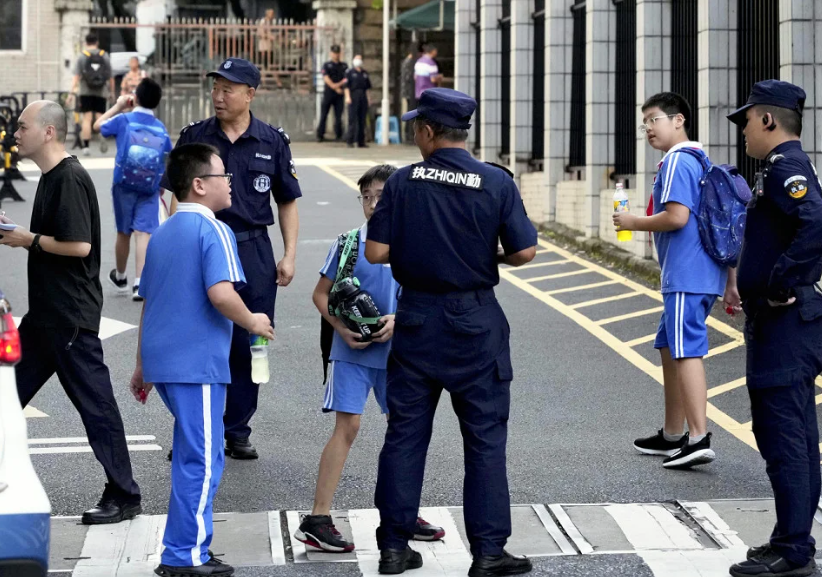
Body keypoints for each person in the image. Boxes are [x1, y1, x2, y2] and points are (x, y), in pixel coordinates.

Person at [365, 88, 538, 576]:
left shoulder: (402, 182)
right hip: (475, 322)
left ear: (426, 131)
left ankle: (394, 549)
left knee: (405, 436)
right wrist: (486, 257)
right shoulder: (495, 181)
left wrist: (419, 251)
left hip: (418, 319)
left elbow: (376, 253)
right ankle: (487, 553)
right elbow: (525, 252)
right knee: (484, 440)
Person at [131, 143, 275, 577]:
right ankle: (183, 555)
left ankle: (189, 546)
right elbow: (221, 293)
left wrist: (141, 366)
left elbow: (149, 301)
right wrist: (254, 320)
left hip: (166, 362)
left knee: (196, 455)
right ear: (199, 185)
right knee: (202, 460)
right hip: (198, 365)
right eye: (222, 176)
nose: (229, 183)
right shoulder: (215, 231)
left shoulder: (165, 232)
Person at [0, 100, 141, 524]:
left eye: (22, 127)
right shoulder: (50, 177)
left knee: (97, 408)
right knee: (5, 397)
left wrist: (28, 240)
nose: (14, 133)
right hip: (45, 316)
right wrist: (18, 230)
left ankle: (124, 495)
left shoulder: (69, 178)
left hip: (69, 318)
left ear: (48, 132)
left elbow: (79, 246)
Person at [295, 165, 445, 554]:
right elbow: (320, 294)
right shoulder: (348, 243)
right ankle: (318, 519)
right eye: (366, 196)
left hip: (402, 355)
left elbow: (430, 296)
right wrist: (340, 328)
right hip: (353, 354)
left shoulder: (415, 242)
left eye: (381, 195)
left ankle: (403, 512)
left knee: (406, 433)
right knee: (347, 428)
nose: (374, 203)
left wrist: (399, 320)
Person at [162, 57, 301, 460]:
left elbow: (287, 201)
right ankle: (192, 428)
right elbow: (175, 197)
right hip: (203, 243)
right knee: (196, 340)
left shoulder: (272, 140)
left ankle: (236, 428)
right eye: (215, 88)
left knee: (250, 340)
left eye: (228, 89)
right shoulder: (195, 137)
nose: (218, 96)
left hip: (252, 249)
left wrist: (289, 255)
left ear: (250, 94)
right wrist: (177, 247)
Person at [725, 80, 822, 577]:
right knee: (792, 435)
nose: (743, 130)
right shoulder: (777, 170)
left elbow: (816, 221)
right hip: (779, 321)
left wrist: (783, 279)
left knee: (786, 437)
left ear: (767, 120)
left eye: (747, 120)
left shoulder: (788, 168)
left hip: (785, 325)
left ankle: (794, 552)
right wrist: (746, 278)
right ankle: (791, 539)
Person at [612, 92, 727, 470]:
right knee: (668, 344)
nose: (647, 127)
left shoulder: (678, 160)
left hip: (687, 274)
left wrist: (633, 223)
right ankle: (673, 433)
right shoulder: (699, 158)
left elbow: (677, 217)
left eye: (654, 119)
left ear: (679, 120)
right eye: (644, 122)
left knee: (685, 348)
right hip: (700, 272)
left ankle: (697, 436)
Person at [94, 78, 173, 301]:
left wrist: (119, 105)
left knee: (124, 232)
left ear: (135, 98)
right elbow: (167, 157)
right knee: (143, 233)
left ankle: (120, 277)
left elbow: (97, 126)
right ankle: (140, 283)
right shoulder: (160, 128)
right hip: (150, 187)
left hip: (123, 184)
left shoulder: (124, 120)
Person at [66, 34, 115, 157]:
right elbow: (110, 77)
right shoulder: (104, 55)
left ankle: (86, 147)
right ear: (97, 42)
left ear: (86, 42)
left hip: (85, 91)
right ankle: (102, 135)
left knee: (87, 119)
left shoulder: (82, 56)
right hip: (101, 91)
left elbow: (76, 77)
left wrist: (71, 93)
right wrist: (111, 92)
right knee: (101, 117)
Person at [316, 45, 347, 143]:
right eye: (334, 53)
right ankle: (320, 135)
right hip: (328, 93)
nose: (336, 55)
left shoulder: (344, 66)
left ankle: (339, 135)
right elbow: (326, 79)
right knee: (324, 114)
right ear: (331, 53)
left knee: (338, 116)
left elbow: (346, 78)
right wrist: (335, 86)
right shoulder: (326, 65)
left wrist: (338, 87)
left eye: (337, 53)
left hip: (339, 94)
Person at [345, 54, 371, 149]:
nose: (358, 61)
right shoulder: (350, 72)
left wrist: (368, 99)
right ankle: (350, 140)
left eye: (360, 59)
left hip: (363, 96)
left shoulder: (364, 73)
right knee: (352, 120)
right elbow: (346, 86)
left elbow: (367, 88)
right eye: (357, 59)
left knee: (362, 120)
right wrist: (348, 97)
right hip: (353, 96)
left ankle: (361, 141)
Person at [400, 45, 421, 144]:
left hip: (409, 92)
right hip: (409, 92)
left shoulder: (408, 62)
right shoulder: (408, 63)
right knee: (411, 113)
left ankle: (409, 134)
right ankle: (408, 135)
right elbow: (408, 77)